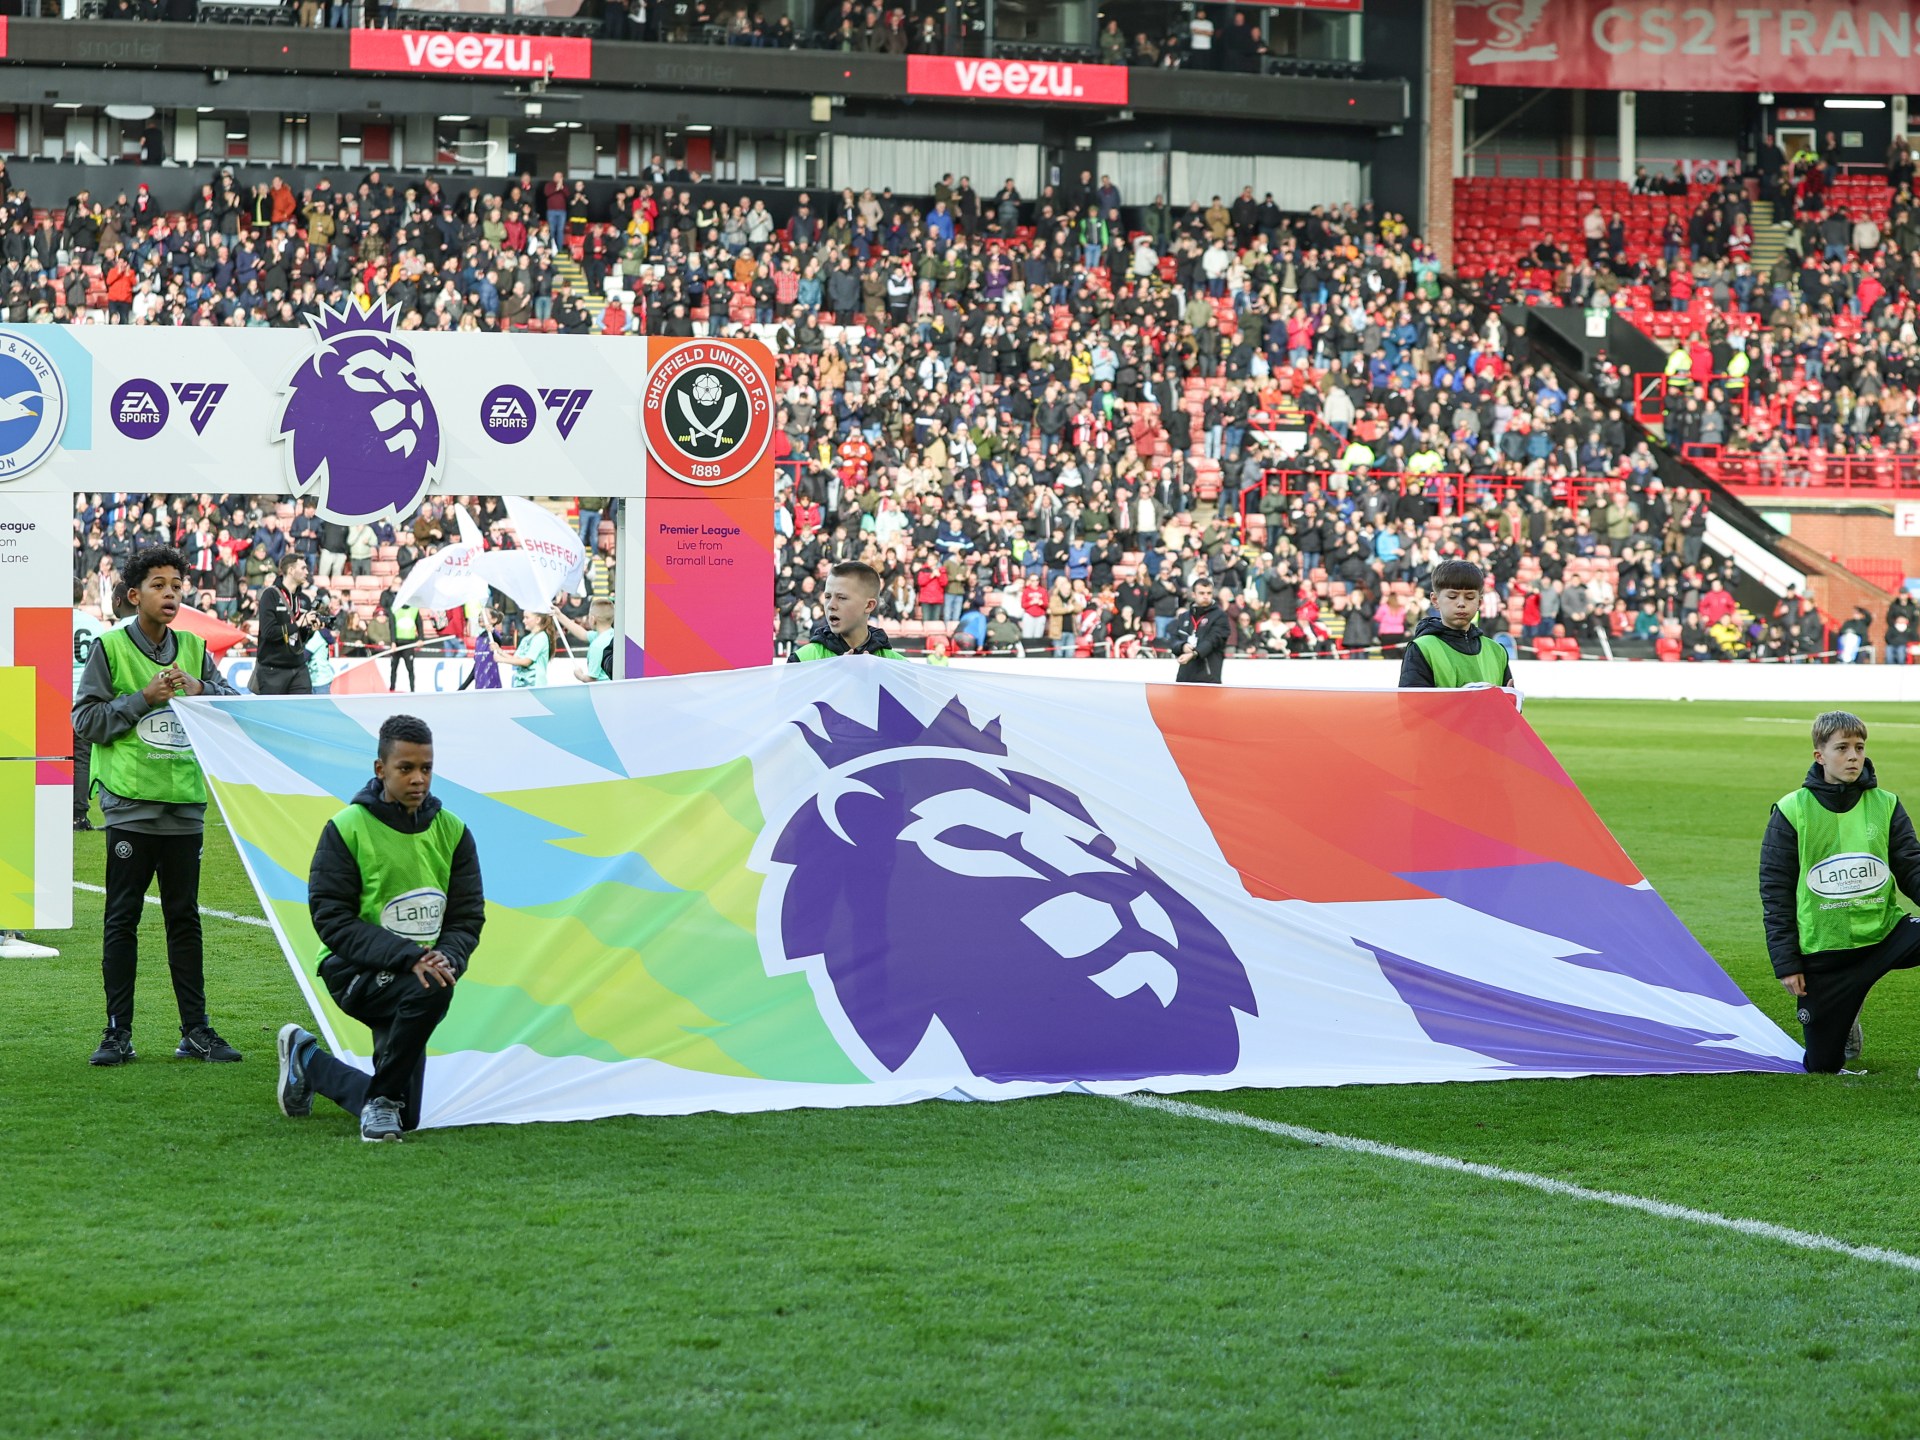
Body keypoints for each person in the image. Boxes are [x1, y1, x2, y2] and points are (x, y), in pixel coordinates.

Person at [274, 714, 485, 1142]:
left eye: (426, 768)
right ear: (380, 769)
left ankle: (308, 1060)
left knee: (407, 1119)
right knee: (431, 988)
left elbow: (466, 916)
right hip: (352, 970)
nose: (418, 779)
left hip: (417, 974)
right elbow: (332, 919)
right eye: (405, 768)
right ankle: (383, 1100)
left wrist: (448, 956)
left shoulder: (454, 831)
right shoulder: (347, 828)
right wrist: (411, 957)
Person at [71, 546, 243, 1067]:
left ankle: (196, 1031)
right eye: (159, 585)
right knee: (122, 919)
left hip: (185, 809)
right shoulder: (110, 648)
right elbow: (85, 722)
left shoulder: (194, 648)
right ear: (133, 595)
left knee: (184, 920)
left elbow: (233, 709)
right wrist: (142, 698)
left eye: (176, 585)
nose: (171, 594)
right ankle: (117, 1032)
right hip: (129, 808)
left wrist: (202, 689)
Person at [1759, 711, 1920, 1073]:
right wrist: (1787, 962)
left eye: (1859, 748)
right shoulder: (1791, 810)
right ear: (1820, 755)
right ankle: (1845, 1020)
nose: (1853, 756)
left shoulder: (1886, 804)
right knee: (1823, 1066)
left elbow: (1912, 866)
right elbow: (1775, 891)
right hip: (1827, 953)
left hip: (1885, 935)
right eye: (1842, 748)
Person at [1399, 559, 1514, 688]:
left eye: (1470, 597)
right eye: (1452, 597)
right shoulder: (1422, 648)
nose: (1461, 603)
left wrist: (1509, 698)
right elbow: (1412, 700)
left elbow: (1509, 699)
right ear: (1435, 600)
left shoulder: (1497, 651)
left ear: (1479, 602)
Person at [788, 561, 907, 660]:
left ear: (869, 605)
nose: (830, 605)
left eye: (841, 598)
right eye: (827, 597)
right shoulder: (801, 660)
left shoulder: (899, 666)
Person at [250, 553, 317, 695]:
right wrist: (298, 624)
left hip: (298, 667)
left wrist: (309, 628)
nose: (307, 572)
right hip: (273, 669)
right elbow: (268, 632)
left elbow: (301, 638)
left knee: (305, 707)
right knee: (274, 710)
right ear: (291, 570)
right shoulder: (270, 595)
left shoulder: (304, 599)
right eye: (303, 568)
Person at [72, 579, 107, 831]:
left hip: (53, 699)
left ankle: (48, 808)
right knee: (82, 757)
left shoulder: (49, 621)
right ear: (82, 596)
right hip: (84, 698)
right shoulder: (94, 625)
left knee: (52, 758)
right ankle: (78, 815)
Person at [1169, 576, 1229, 683]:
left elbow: (1213, 640)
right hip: (1185, 677)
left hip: (1208, 677)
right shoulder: (1183, 617)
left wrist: (1195, 653)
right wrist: (1182, 646)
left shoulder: (1220, 616)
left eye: (1209, 593)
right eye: (1202, 593)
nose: (1206, 596)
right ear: (1193, 594)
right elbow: (1173, 640)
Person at [558, 598, 617, 681]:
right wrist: (559, 615)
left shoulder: (597, 646)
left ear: (592, 619)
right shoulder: (614, 635)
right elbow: (583, 634)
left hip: (603, 688)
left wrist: (580, 675)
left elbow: (592, 679)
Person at [502, 610, 553, 687]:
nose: (523, 621)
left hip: (535, 686)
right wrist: (500, 652)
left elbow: (526, 662)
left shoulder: (541, 637)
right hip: (520, 684)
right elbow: (515, 659)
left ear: (538, 620)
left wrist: (501, 659)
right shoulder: (526, 639)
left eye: (527, 617)